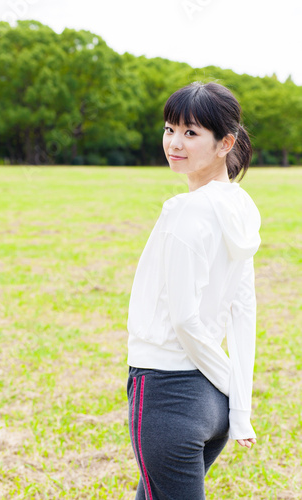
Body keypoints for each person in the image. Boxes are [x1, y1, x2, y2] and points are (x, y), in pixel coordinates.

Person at [126, 81, 261, 500]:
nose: (174, 143)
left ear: (226, 143)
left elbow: (184, 319)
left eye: (191, 132)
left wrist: (225, 380)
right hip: (211, 406)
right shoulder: (240, 208)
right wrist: (237, 402)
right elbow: (244, 311)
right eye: (170, 129)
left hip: (168, 395)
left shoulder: (185, 214)